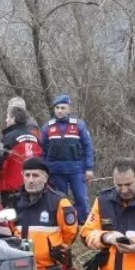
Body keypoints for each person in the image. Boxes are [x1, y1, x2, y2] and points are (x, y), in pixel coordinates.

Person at [41, 94, 95, 222]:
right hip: (56, 171)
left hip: (77, 169)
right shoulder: (47, 127)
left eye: (63, 108)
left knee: (81, 198)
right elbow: (42, 150)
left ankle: (83, 224)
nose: (59, 111)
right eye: (57, 108)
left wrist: (89, 168)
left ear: (69, 109)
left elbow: (88, 147)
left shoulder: (79, 125)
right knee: (60, 200)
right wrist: (43, 169)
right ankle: (62, 223)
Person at [0, 106, 44, 205]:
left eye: (8, 117)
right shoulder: (36, 138)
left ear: (13, 119)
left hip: (12, 189)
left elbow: (0, 162)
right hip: (33, 187)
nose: (6, 119)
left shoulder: (8, 139)